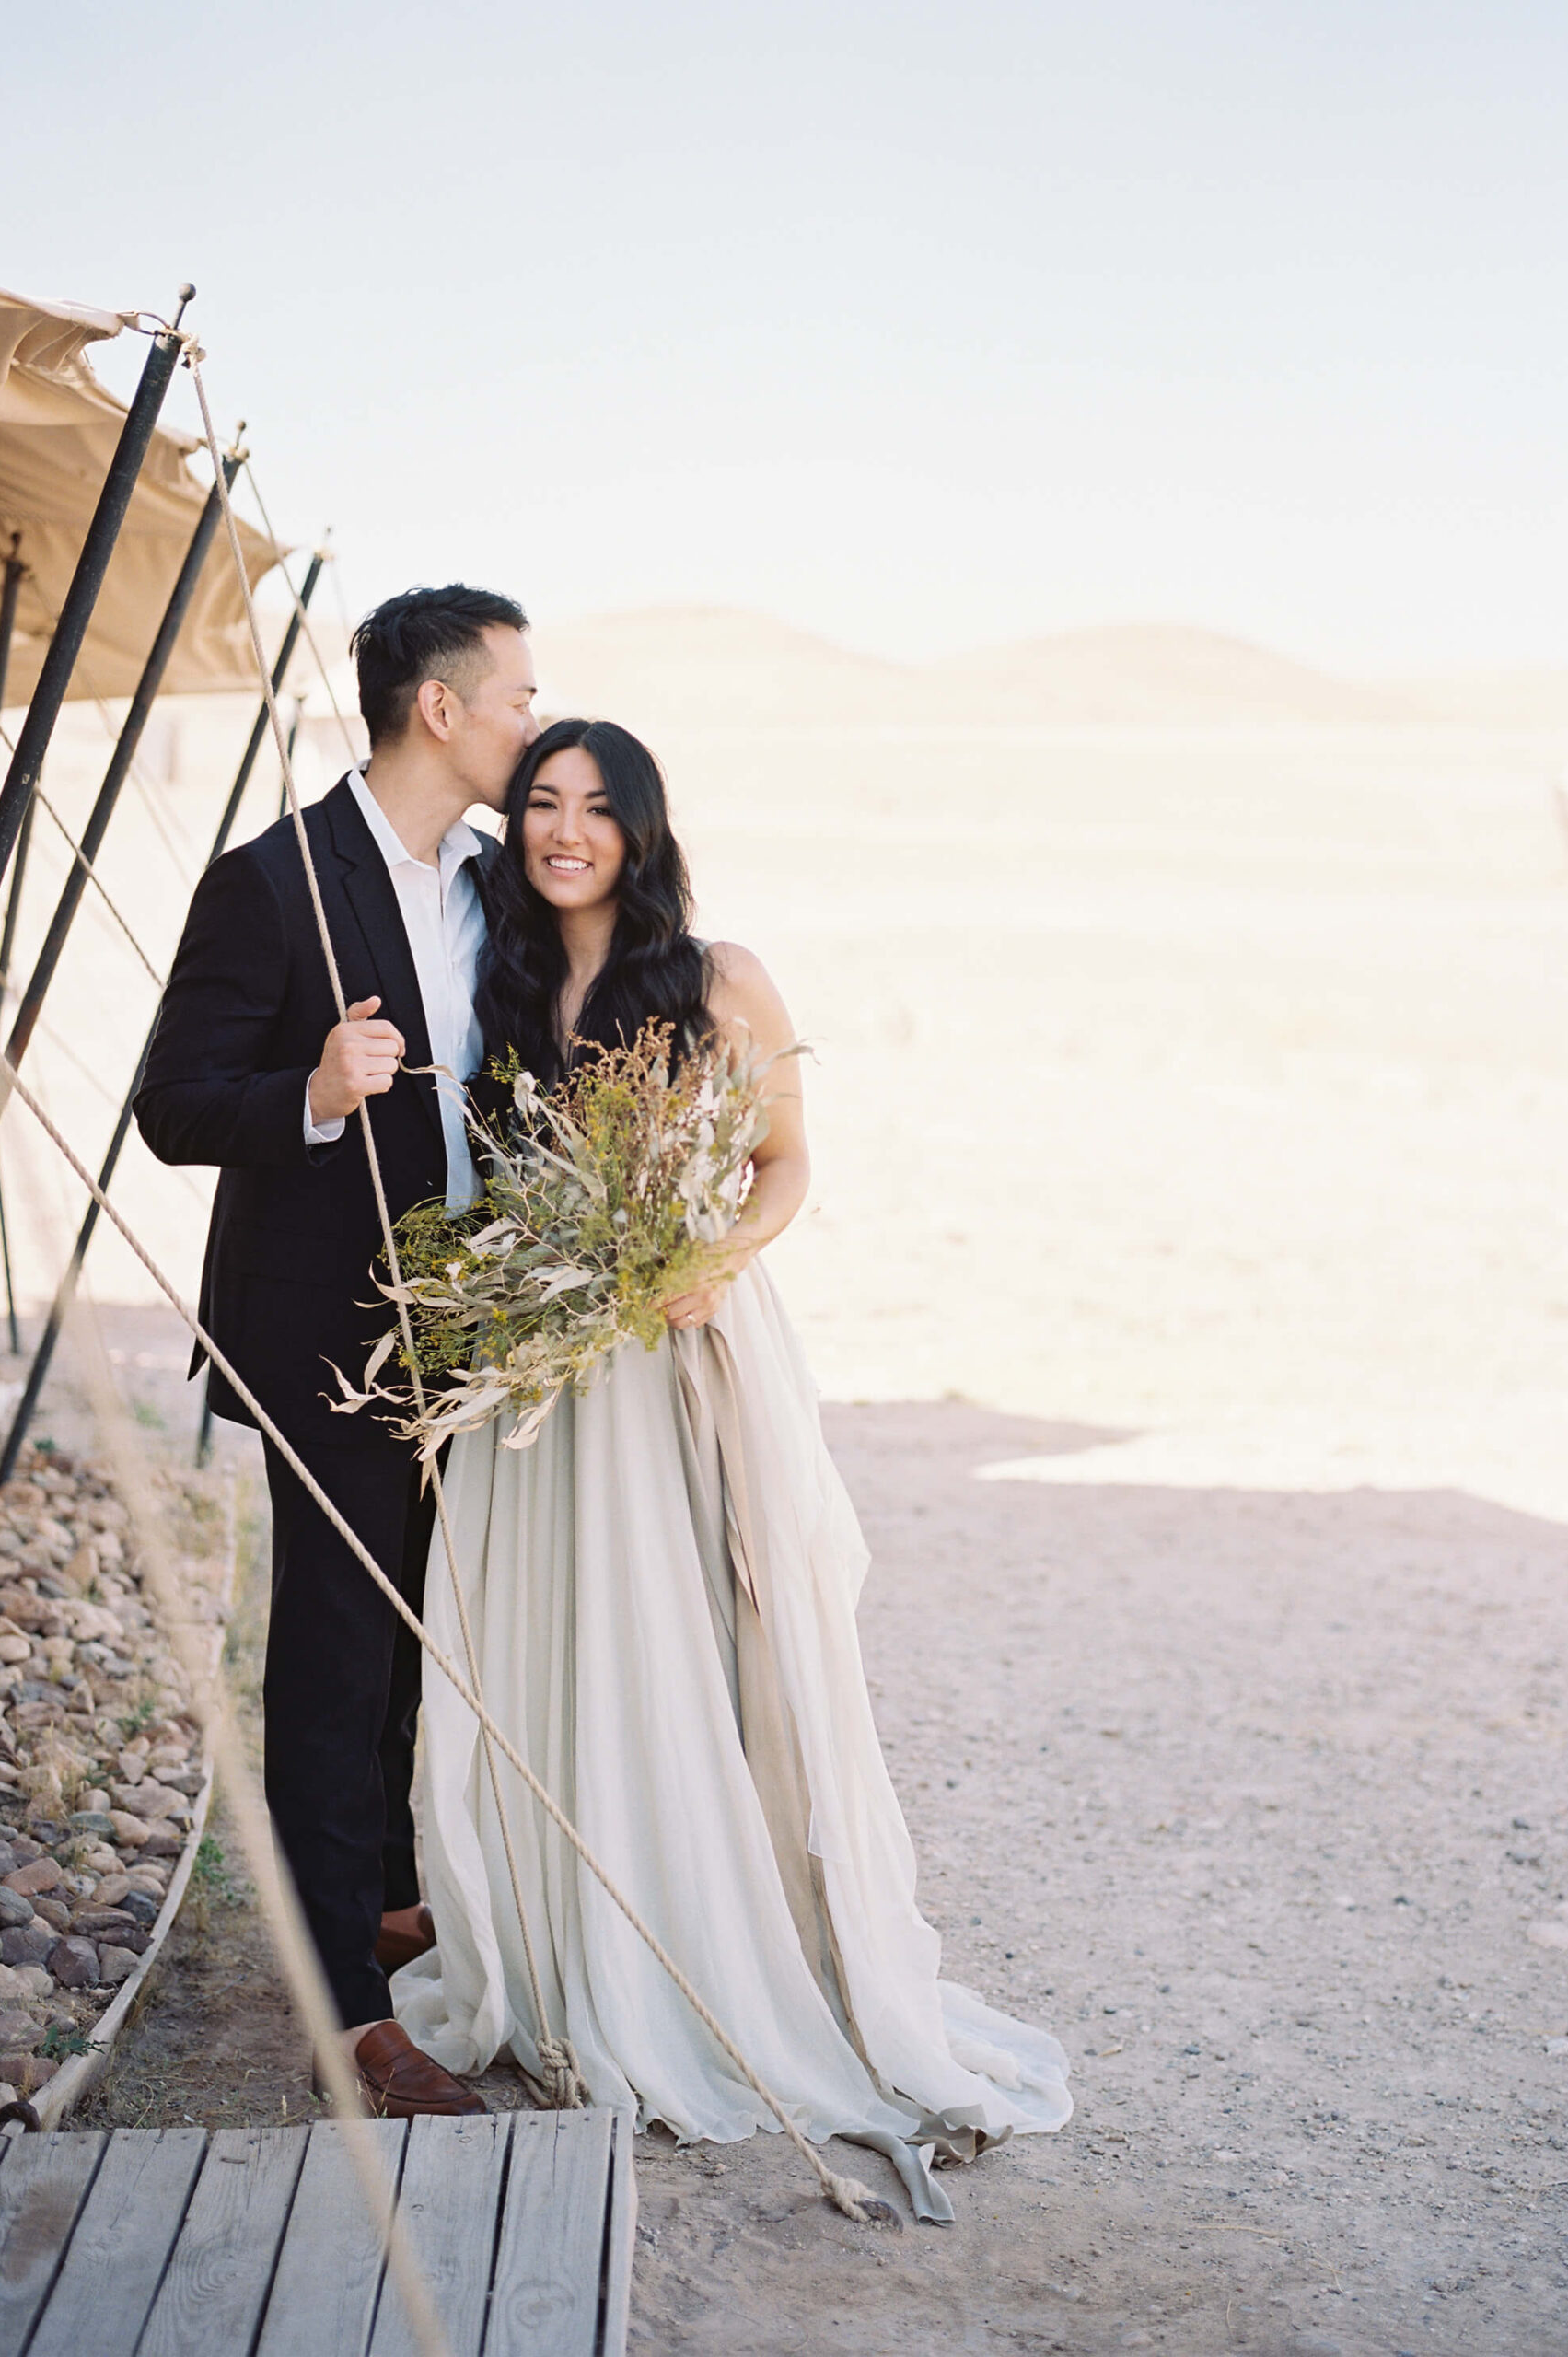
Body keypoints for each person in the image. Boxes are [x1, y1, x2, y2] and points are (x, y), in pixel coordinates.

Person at [393, 717, 1072, 2217]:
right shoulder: (494, 975)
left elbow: (787, 1163)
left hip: (680, 1344)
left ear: (641, 830)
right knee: (551, 1640)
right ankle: (576, 1935)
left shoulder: (715, 977)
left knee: (698, 1632)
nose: (567, 831)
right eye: (543, 805)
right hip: (548, 1376)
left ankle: (718, 1943)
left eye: (597, 809)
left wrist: (714, 1255)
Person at [134, 584, 538, 2117]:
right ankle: (349, 2008)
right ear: (438, 707)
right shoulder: (272, 879)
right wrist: (310, 1088)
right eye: (512, 695)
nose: (527, 718)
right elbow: (174, 1102)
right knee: (332, 1653)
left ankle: (380, 1890)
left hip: (475, 1332)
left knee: (420, 1639)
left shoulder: (497, 883)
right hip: (325, 1337)